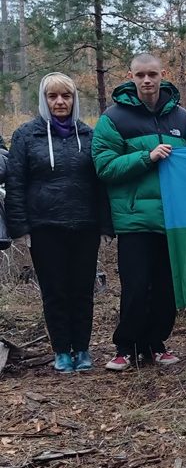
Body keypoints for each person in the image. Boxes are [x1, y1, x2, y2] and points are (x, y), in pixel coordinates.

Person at [93, 54, 186, 371]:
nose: (147, 80)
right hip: (134, 220)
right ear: (130, 76)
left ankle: (156, 344)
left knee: (166, 288)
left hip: (171, 220)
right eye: (141, 75)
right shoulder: (113, 119)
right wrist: (146, 157)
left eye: (152, 74)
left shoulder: (182, 119)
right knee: (136, 287)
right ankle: (125, 347)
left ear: (162, 75)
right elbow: (104, 166)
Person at [6, 73, 110, 372]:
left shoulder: (89, 135)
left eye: (66, 96)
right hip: (44, 227)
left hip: (84, 226)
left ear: (74, 99)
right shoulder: (26, 135)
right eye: (53, 96)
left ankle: (83, 349)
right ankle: (62, 350)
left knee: (81, 290)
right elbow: (15, 183)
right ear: (44, 99)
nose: (60, 102)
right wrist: (20, 228)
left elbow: (101, 184)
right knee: (55, 292)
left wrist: (105, 225)